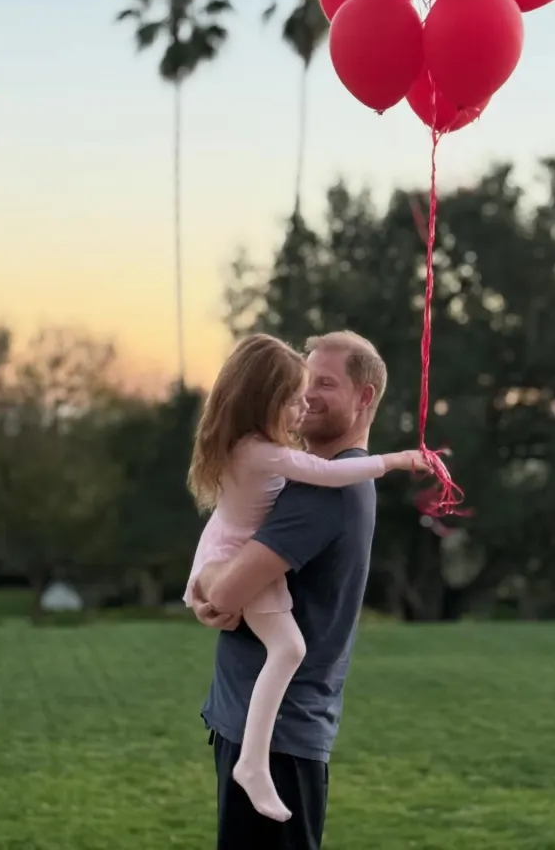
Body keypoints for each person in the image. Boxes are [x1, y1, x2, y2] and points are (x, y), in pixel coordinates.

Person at [186, 332, 423, 837]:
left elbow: (226, 595)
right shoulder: (302, 475)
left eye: (325, 384)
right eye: (304, 381)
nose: (307, 394)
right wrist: (205, 579)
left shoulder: (326, 490)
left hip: (279, 740)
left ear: (365, 398)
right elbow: (231, 519)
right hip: (259, 724)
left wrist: (209, 584)